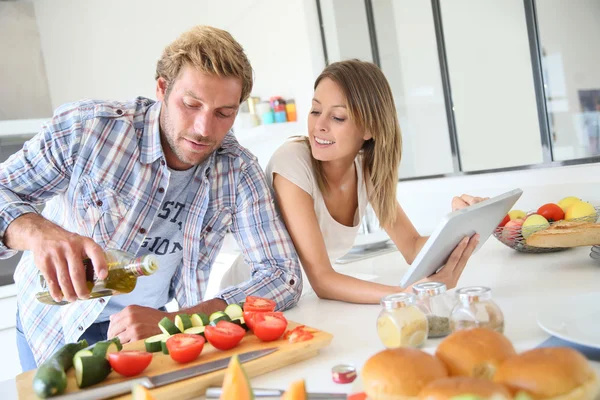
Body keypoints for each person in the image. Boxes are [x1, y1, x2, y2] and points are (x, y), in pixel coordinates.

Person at [0, 25, 302, 370]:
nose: (204, 129)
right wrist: (40, 233)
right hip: (53, 325)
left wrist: (181, 320)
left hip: (146, 329)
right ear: (162, 88)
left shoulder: (237, 171)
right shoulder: (88, 130)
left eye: (224, 113)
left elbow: (283, 275)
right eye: (191, 104)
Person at [222, 59, 484, 303]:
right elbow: (323, 280)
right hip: (246, 299)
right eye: (315, 110)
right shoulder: (292, 162)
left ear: (369, 129)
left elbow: (413, 248)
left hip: (298, 300)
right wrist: (405, 294)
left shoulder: (365, 170)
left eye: (337, 117)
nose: (319, 125)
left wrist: (461, 224)